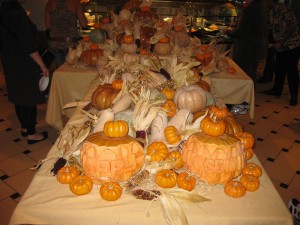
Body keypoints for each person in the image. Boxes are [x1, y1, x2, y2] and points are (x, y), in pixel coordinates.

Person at [0, 0, 49, 144]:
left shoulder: (3, 12)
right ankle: (32, 135)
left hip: (9, 61)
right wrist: (42, 65)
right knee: (29, 98)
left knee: (18, 96)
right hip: (25, 62)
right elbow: (28, 45)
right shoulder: (18, 15)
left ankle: (25, 129)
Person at [262, 0, 300, 106]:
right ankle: (277, 90)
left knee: (291, 70)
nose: (263, 3)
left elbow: (292, 28)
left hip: (292, 45)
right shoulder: (270, 11)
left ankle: (294, 96)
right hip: (281, 46)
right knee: (279, 68)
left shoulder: (285, 10)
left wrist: (281, 42)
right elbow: (269, 27)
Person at [226, 0, 268, 83]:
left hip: (247, 48)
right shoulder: (260, 6)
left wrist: (228, 32)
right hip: (255, 47)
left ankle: (243, 94)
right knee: (250, 74)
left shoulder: (250, 9)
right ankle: (249, 93)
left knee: (242, 74)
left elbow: (241, 31)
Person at [45, 0, 88, 69]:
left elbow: (48, 26)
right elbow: (84, 24)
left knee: (59, 70)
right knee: (70, 71)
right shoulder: (75, 2)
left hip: (54, 43)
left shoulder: (50, 3)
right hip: (70, 44)